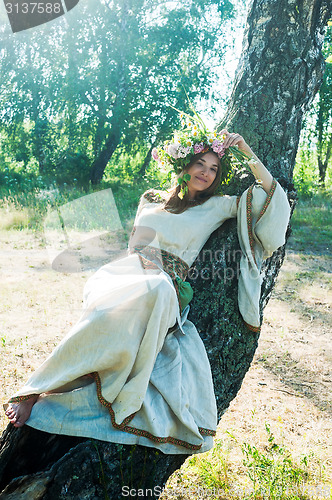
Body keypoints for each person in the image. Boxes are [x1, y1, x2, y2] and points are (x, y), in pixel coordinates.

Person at [4, 121, 290, 454]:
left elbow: (269, 195)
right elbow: (132, 250)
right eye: (200, 163)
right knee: (113, 309)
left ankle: (101, 389)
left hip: (165, 286)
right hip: (125, 275)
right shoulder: (150, 202)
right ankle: (35, 389)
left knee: (156, 289)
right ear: (184, 164)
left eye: (214, 169)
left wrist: (246, 152)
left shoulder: (218, 206)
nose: (207, 173)